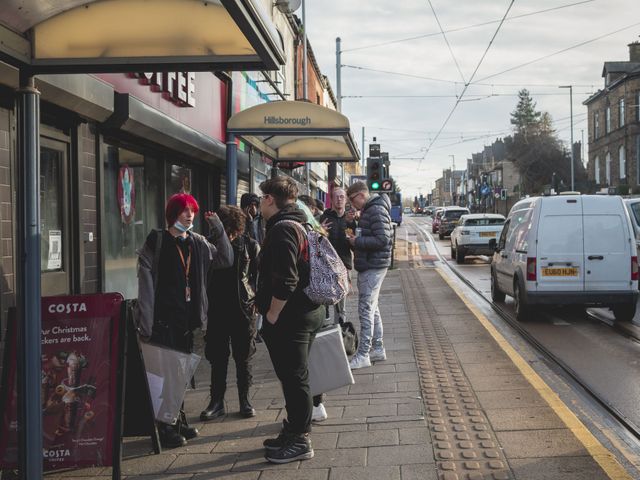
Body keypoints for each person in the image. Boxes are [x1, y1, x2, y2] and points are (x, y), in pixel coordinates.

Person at [135, 193, 233, 448]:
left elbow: (225, 259)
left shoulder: (197, 243)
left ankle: (177, 421)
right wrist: (145, 322)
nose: (190, 215)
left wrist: (219, 229)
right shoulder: (157, 241)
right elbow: (145, 284)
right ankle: (165, 427)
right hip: (162, 319)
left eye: (192, 211)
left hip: (187, 320)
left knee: (180, 373)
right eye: (184, 210)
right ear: (173, 214)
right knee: (166, 373)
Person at [257, 176, 324, 464]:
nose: (260, 203)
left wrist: (271, 315)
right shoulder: (301, 223)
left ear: (270, 199)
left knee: (295, 378)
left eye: (261, 198)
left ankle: (300, 440)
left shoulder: (283, 230)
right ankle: (293, 430)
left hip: (292, 316)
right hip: (307, 312)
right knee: (294, 376)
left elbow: (286, 281)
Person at [200, 206, 260, 421]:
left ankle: (245, 400)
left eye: (230, 228)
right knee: (218, 358)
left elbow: (256, 275)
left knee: (244, 358)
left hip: (242, 309)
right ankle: (216, 402)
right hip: (216, 309)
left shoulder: (250, 246)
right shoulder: (209, 246)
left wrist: (255, 300)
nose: (228, 233)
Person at [345, 181, 393, 370]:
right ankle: (378, 348)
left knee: (365, 310)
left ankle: (363, 354)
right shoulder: (371, 210)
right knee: (372, 309)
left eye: (351, 199)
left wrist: (358, 240)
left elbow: (383, 239)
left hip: (373, 266)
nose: (351, 204)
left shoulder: (375, 210)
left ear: (361, 195)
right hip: (372, 264)